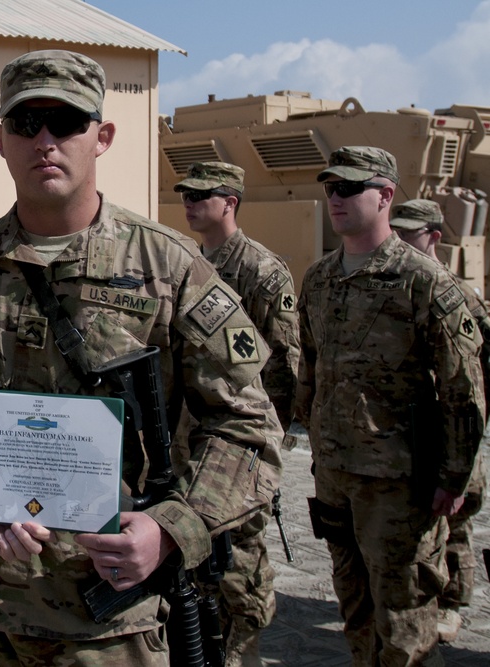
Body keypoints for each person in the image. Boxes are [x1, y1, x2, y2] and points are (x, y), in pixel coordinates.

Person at [0, 49, 283, 665]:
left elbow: (248, 425)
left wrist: (171, 529)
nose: (46, 140)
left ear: (101, 136)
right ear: (1, 139)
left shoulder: (168, 268)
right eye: (27, 124)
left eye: (67, 121)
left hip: (109, 617)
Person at [294, 147, 485, 665]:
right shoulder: (319, 278)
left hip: (399, 484)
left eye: (350, 187)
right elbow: (310, 368)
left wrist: (454, 476)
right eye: (331, 187)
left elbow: (462, 390)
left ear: (385, 195)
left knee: (404, 621)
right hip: (334, 475)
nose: (336, 197)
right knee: (354, 609)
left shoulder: (423, 281)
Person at [174, 161, 300, 665]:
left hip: (238, 443)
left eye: (203, 195)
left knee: (239, 570)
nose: (191, 203)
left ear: (231, 202)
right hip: (189, 441)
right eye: (186, 194)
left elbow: (284, 369)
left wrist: (262, 454)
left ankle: (243, 655)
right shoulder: (183, 262)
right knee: (196, 572)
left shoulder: (262, 271)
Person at [388, 198, 489, 644]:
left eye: (410, 230)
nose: (401, 236)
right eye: (398, 228)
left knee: (458, 518)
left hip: (452, 422)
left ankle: (453, 602)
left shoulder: (459, 291)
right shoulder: (398, 280)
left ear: (434, 235)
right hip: (414, 425)